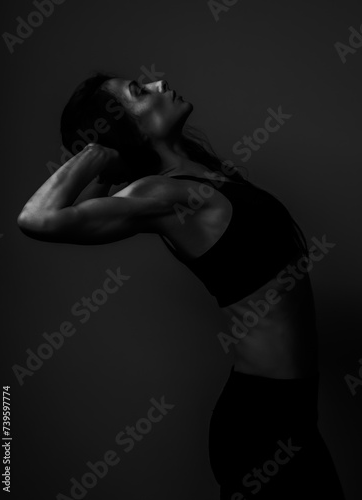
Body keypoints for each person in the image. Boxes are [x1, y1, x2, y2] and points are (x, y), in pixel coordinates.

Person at [17, 71, 345, 499]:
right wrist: (100, 150)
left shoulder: (202, 174)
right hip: (262, 422)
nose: (157, 82)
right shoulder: (163, 195)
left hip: (293, 410)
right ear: (120, 125)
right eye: (138, 91)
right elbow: (35, 219)